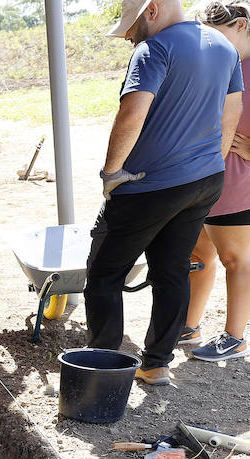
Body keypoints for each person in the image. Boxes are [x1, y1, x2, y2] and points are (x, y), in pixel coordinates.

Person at [82, 0, 243, 386]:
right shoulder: (224, 47)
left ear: (151, 10)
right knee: (172, 271)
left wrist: (111, 173)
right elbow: (230, 114)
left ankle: (102, 369)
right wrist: (210, 166)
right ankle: (155, 365)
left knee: (104, 274)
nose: (128, 36)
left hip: (148, 184)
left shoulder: (154, 48)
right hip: (203, 181)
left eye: (131, 27)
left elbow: (132, 113)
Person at [185, 0, 250, 362]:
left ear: (241, 26)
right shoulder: (224, 64)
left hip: (240, 185)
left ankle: (235, 338)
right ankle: (189, 325)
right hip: (205, 181)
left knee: (236, 260)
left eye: (217, 36)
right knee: (198, 255)